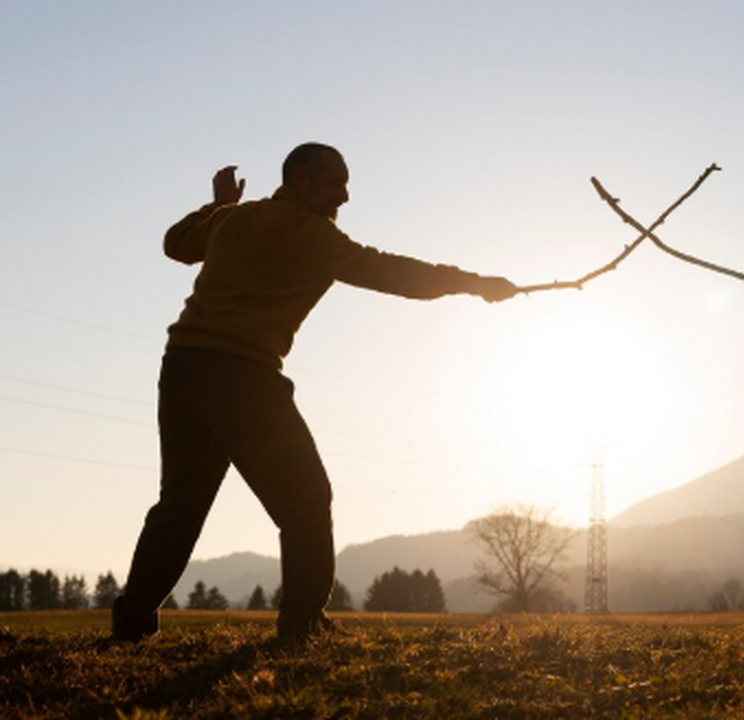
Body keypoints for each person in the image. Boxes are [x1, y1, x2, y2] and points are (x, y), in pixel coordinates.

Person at [112, 143, 519, 641]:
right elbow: (393, 272)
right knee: (306, 500)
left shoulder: (233, 221)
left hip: (182, 370)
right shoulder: (312, 235)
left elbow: (176, 244)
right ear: (301, 179)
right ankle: (302, 623)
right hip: (244, 378)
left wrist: (220, 205)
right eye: (335, 183)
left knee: (179, 505)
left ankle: (131, 621)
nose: (344, 197)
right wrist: (474, 283)